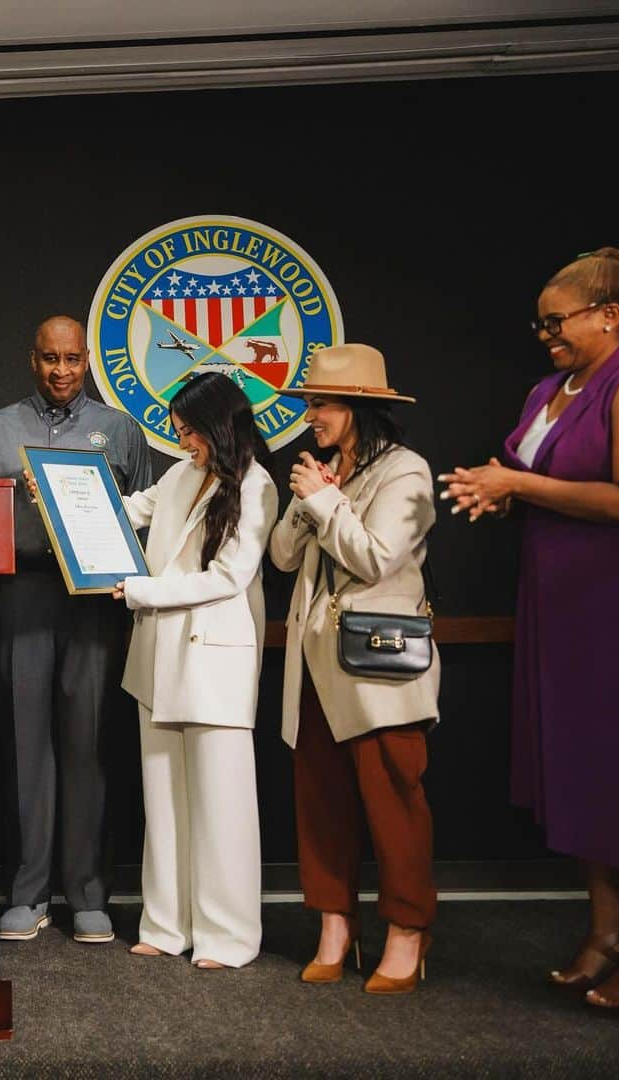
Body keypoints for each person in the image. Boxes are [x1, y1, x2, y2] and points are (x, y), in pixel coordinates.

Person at [439, 248, 619, 1018]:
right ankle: (605, 931)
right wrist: (497, 491)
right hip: (564, 605)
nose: (545, 334)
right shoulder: (551, 389)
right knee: (582, 763)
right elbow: (542, 480)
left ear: (608, 316)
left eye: (558, 320)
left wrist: (517, 482)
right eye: (540, 322)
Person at [0, 315, 152, 944]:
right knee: (26, 747)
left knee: (88, 744)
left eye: (72, 359)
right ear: (32, 359)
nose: (61, 371)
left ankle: (88, 896)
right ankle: (28, 893)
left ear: (86, 360)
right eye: (49, 358)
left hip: (95, 598)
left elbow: (147, 521)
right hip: (20, 592)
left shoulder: (119, 429)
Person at [268, 343, 439, 995]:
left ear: (358, 407)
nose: (309, 415)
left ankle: (407, 930)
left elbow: (376, 560)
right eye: (309, 403)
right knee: (322, 803)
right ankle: (335, 925)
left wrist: (327, 504)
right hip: (313, 666)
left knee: (394, 801)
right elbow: (282, 557)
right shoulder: (320, 470)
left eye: (319, 403)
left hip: (380, 668)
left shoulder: (408, 472)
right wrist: (309, 500)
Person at [115, 372, 276, 969]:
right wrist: (56, 496)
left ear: (218, 425)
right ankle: (165, 925)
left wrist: (138, 591)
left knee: (222, 804)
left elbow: (229, 577)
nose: (183, 441)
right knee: (163, 799)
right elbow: (129, 510)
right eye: (178, 431)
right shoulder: (181, 473)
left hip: (215, 663)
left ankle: (228, 936)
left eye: (190, 431)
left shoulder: (256, 485)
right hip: (158, 660)